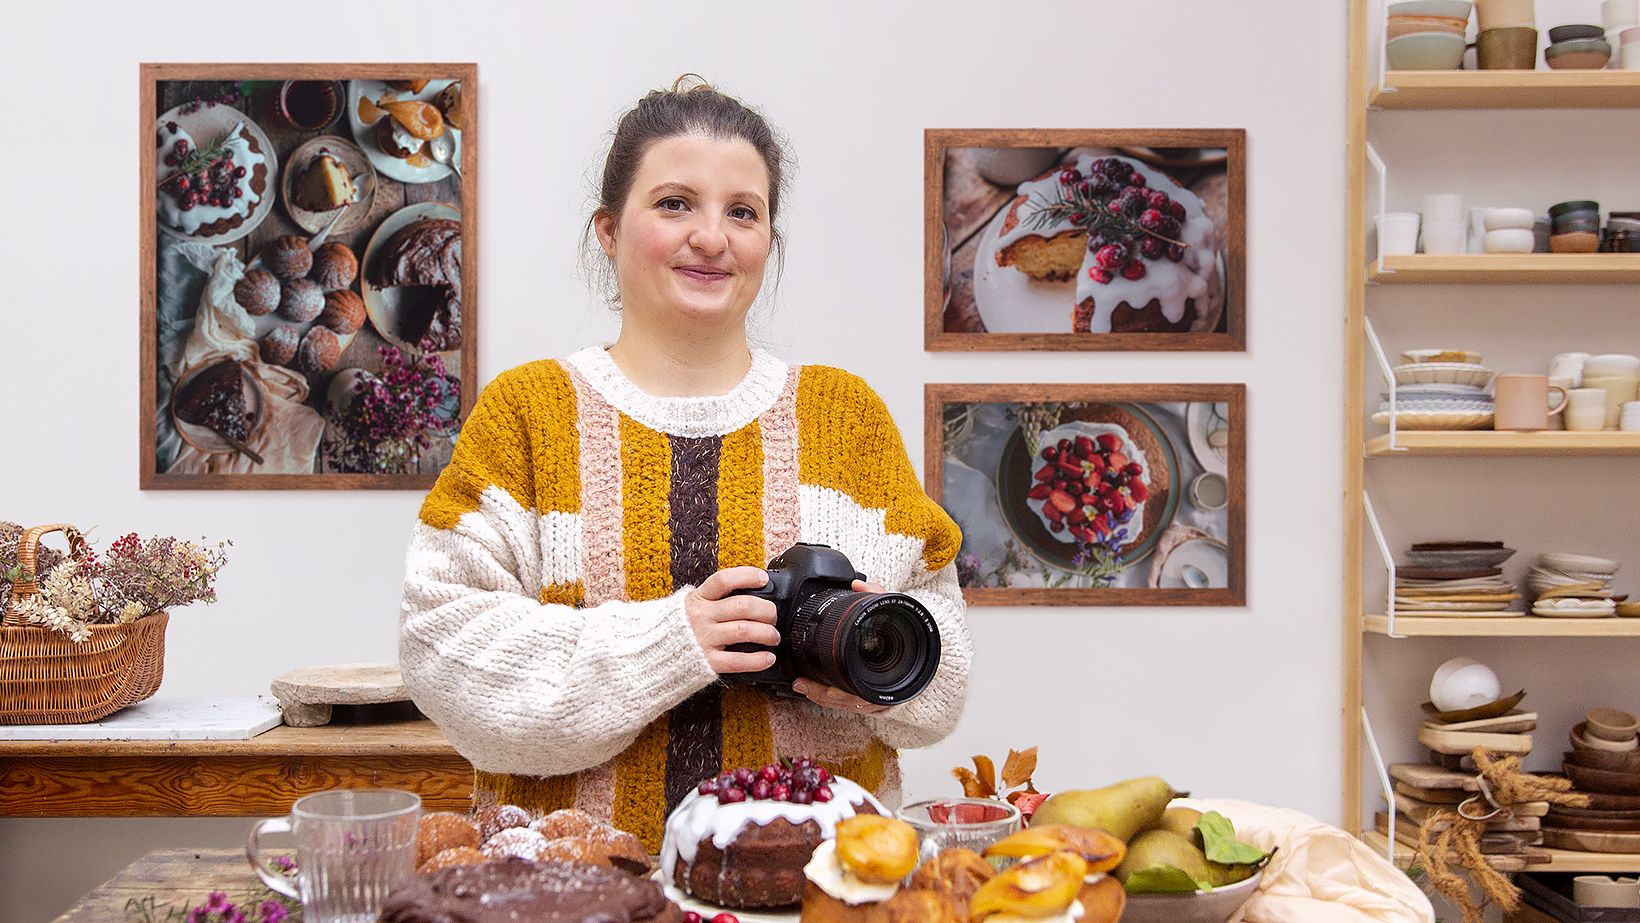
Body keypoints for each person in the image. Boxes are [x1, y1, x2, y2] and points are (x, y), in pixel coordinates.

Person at [400, 76, 970, 852]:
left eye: (743, 211)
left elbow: (944, 681)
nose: (712, 237)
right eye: (675, 203)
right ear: (607, 228)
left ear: (770, 239)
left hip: (817, 887)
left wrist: (873, 678)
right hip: (573, 892)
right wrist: (674, 640)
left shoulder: (847, 417)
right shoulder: (527, 412)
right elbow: (444, 658)